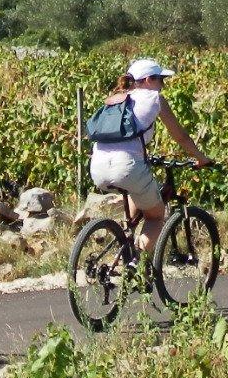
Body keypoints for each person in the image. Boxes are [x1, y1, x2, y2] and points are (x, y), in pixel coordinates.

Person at [88, 58, 210, 257]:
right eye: (160, 80)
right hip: (127, 166)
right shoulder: (155, 99)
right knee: (156, 216)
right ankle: (136, 260)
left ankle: (123, 243)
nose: (162, 85)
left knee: (136, 191)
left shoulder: (116, 99)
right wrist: (200, 157)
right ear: (147, 80)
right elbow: (180, 136)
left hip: (98, 166)